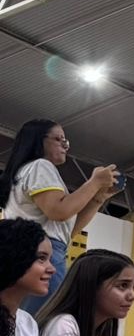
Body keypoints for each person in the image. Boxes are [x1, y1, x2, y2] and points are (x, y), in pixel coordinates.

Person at [1, 120, 119, 314]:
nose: (65, 145)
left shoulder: (24, 172)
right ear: (39, 141)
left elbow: (68, 230)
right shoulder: (40, 166)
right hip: (41, 251)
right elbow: (59, 211)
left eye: (66, 141)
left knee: (24, 319)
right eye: (59, 139)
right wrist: (95, 182)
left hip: (35, 251)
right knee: (47, 318)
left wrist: (98, 197)